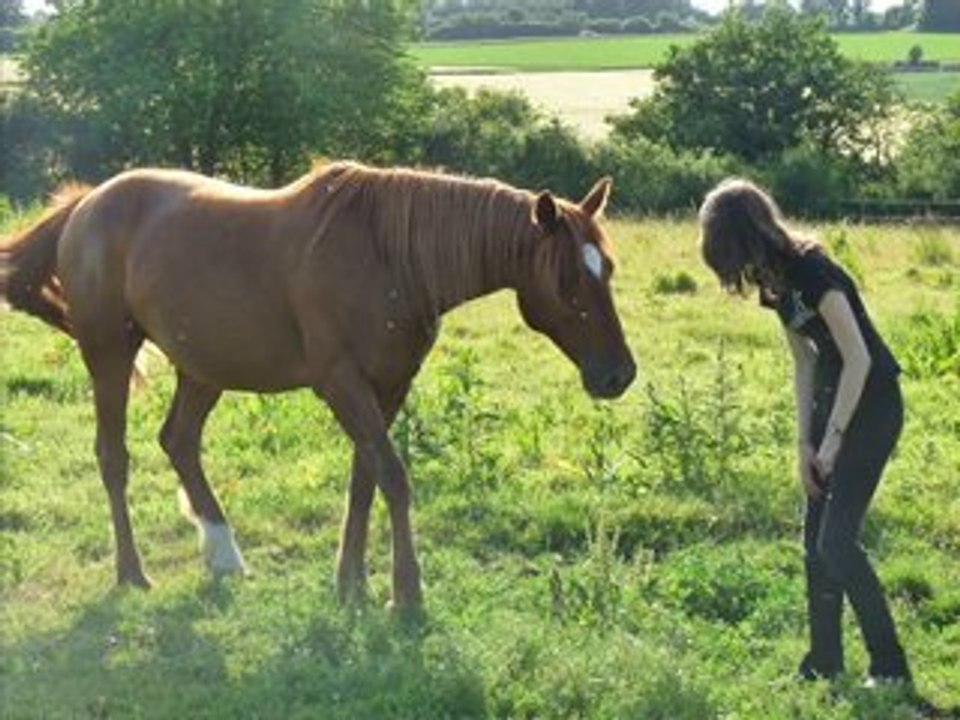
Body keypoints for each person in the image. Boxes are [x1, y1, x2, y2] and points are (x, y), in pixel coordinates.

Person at [697, 178, 911, 685]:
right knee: (813, 545)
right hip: (830, 404)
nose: (732, 272)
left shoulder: (813, 271)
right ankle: (824, 664)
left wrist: (834, 443)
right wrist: (804, 445)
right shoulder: (772, 284)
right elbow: (804, 361)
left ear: (745, 234)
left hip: (873, 404)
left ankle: (891, 668)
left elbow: (858, 357)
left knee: (837, 543)